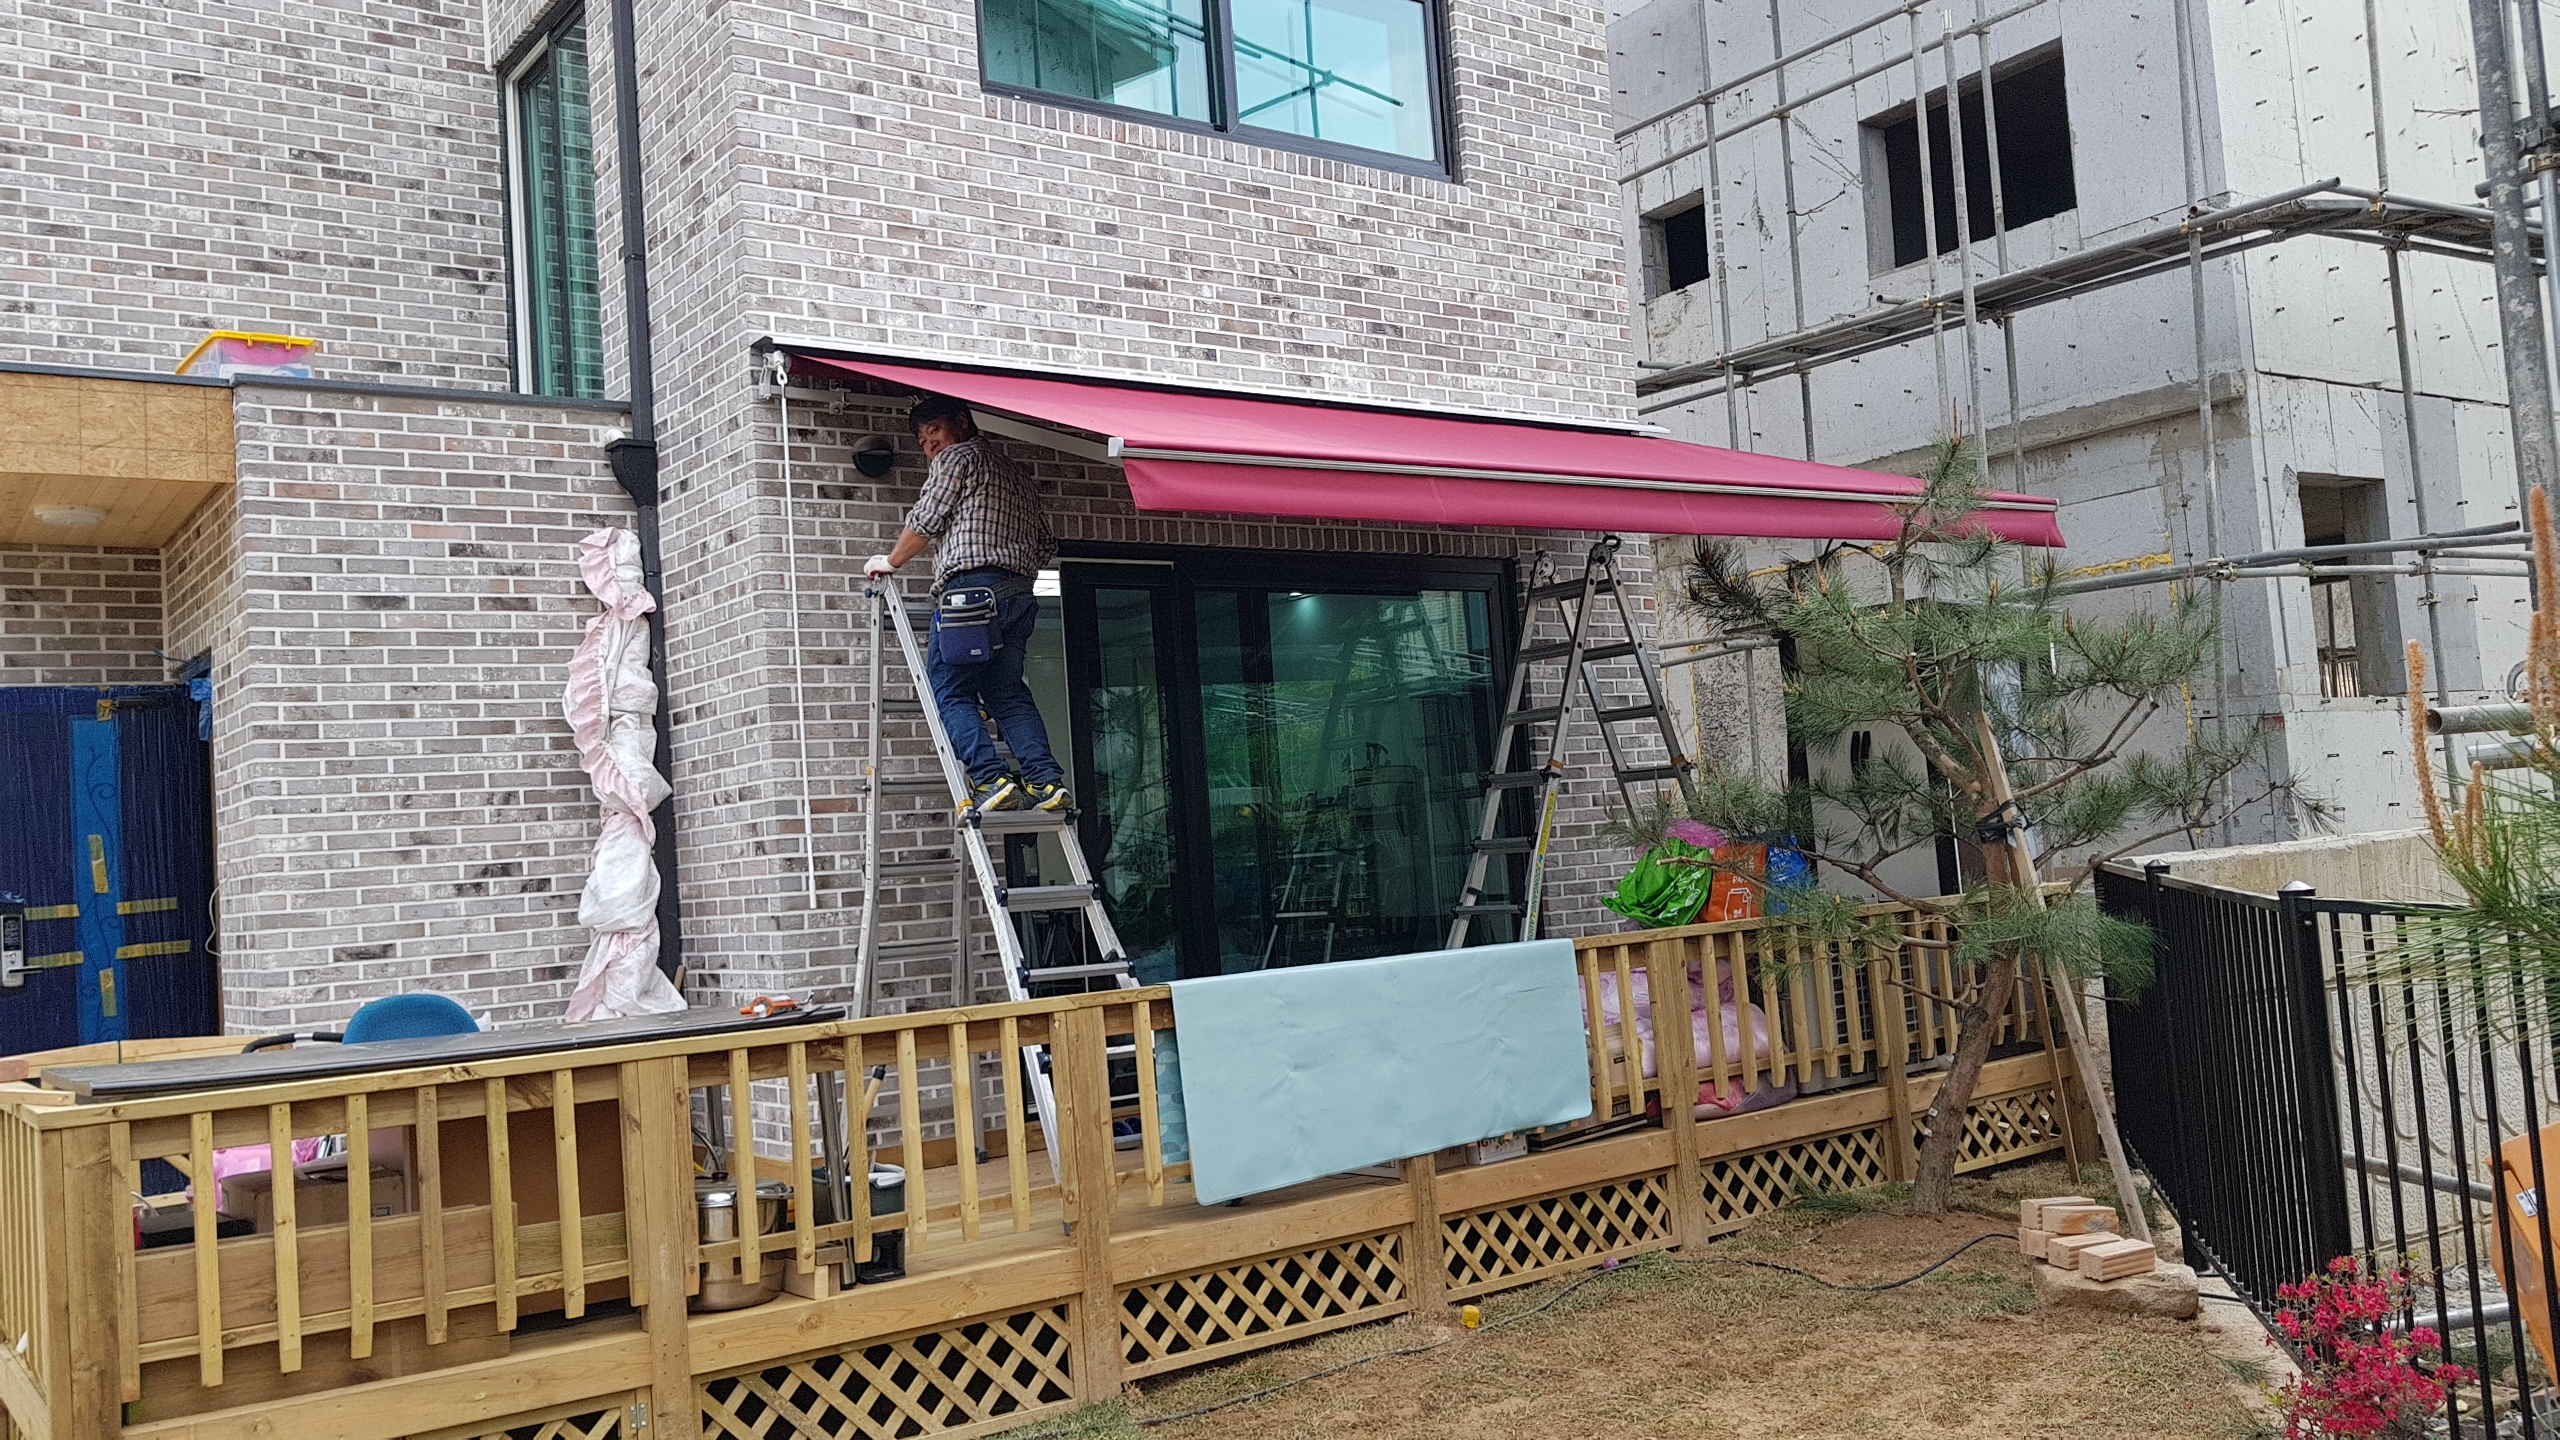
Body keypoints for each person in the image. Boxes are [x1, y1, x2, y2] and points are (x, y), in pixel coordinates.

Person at [865, 396, 1071, 816]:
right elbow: (1045, 544)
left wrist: (890, 561)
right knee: (1007, 693)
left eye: (934, 432)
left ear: (961, 423)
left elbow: (926, 519)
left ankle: (991, 779)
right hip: (1018, 594)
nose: (930, 446)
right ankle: (1046, 782)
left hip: (970, 593)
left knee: (950, 689)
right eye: (923, 442)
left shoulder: (958, 458)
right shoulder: (1016, 473)